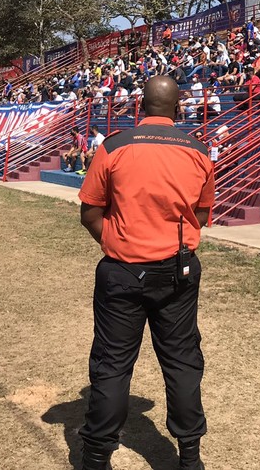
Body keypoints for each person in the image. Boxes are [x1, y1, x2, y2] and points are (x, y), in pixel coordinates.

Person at [76, 75, 214, 470]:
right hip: (178, 271)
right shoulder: (199, 151)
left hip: (121, 271)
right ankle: (190, 457)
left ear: (141, 107)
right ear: (178, 107)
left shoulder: (115, 146)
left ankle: (96, 458)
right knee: (182, 360)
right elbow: (201, 215)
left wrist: (120, 242)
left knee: (112, 363)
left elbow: (90, 212)